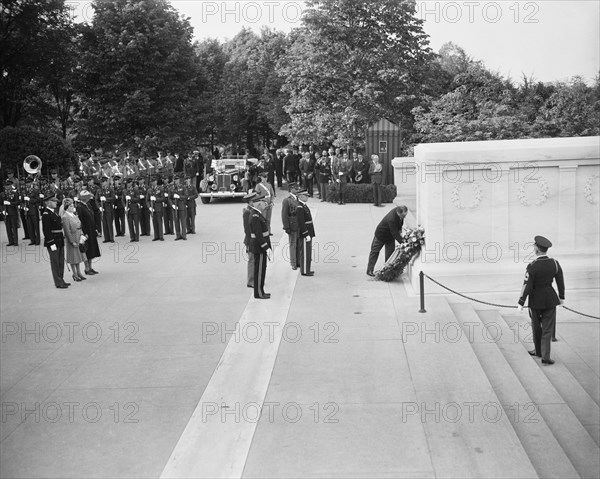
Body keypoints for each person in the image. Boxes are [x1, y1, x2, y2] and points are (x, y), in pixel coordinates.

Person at [518, 236, 565, 365]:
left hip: (535, 300)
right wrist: (561, 297)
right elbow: (560, 281)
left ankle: (538, 351)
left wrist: (521, 301)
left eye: (534, 246)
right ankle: (545, 356)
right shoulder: (554, 263)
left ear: (536, 249)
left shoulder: (532, 266)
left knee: (536, 327)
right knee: (547, 329)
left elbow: (527, 285)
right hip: (550, 299)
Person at [366, 205, 408, 277]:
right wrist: (404, 243)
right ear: (398, 213)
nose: (404, 217)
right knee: (375, 251)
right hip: (381, 235)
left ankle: (387, 271)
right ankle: (370, 270)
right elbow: (395, 233)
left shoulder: (398, 211)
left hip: (390, 236)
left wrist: (400, 230)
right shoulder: (392, 219)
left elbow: (400, 223)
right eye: (403, 216)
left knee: (390, 254)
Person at [41, 195, 70, 289]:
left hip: (59, 239)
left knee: (61, 262)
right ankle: (58, 282)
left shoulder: (54, 213)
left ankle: (61, 279)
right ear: (48, 203)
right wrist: (51, 242)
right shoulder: (46, 214)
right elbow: (46, 230)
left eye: (56, 201)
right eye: (53, 201)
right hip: (53, 241)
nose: (56, 202)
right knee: (55, 262)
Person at [249, 194, 271, 299]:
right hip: (259, 247)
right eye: (263, 202)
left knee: (262, 270)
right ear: (257, 204)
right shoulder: (255, 216)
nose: (264, 204)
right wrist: (266, 247)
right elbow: (258, 234)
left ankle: (261, 291)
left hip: (261, 246)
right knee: (259, 271)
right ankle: (258, 293)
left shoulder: (258, 214)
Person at [61, 198, 87, 282]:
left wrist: (82, 234)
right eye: (71, 206)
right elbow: (67, 231)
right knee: (73, 257)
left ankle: (79, 272)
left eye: (73, 206)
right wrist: (72, 241)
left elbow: (79, 225)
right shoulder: (65, 217)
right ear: (67, 207)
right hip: (72, 238)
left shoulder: (74, 215)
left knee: (78, 257)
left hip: (78, 237)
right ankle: (74, 274)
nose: (73, 207)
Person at [77, 190, 101, 275]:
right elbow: (80, 221)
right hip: (86, 231)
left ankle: (90, 267)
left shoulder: (88, 205)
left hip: (91, 229)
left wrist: (95, 228)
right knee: (87, 250)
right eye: (87, 197)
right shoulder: (80, 207)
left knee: (92, 249)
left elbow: (93, 216)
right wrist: (83, 232)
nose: (89, 198)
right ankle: (86, 268)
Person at [296, 189, 315, 276]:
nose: (307, 197)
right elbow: (301, 222)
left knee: (308, 252)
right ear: (300, 196)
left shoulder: (303, 205)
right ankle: (304, 271)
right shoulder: (299, 207)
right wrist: (306, 234)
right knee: (304, 253)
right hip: (305, 233)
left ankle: (307, 269)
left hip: (308, 231)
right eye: (305, 195)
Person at [281, 183, 300, 270]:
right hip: (292, 224)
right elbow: (284, 215)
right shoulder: (287, 200)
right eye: (295, 188)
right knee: (293, 244)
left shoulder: (298, 198)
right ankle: (293, 263)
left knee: (299, 243)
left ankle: (298, 261)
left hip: (299, 224)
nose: (297, 189)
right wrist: (286, 227)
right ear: (291, 189)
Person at [242, 192, 256, 289]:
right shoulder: (247, 212)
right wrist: (251, 240)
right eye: (254, 201)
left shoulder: (253, 210)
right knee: (252, 260)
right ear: (250, 202)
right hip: (250, 239)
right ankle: (250, 281)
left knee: (255, 260)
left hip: (253, 239)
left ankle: (255, 279)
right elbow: (247, 229)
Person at [1, 180, 20, 246]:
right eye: (6, 186)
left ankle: (15, 241)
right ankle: (10, 241)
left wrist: (10, 203)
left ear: (10, 186)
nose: (7, 187)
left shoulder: (14, 193)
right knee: (8, 227)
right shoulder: (2, 194)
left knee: (14, 227)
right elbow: (0, 204)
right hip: (6, 213)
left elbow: (17, 202)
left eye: (8, 185)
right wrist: (2, 210)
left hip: (13, 212)